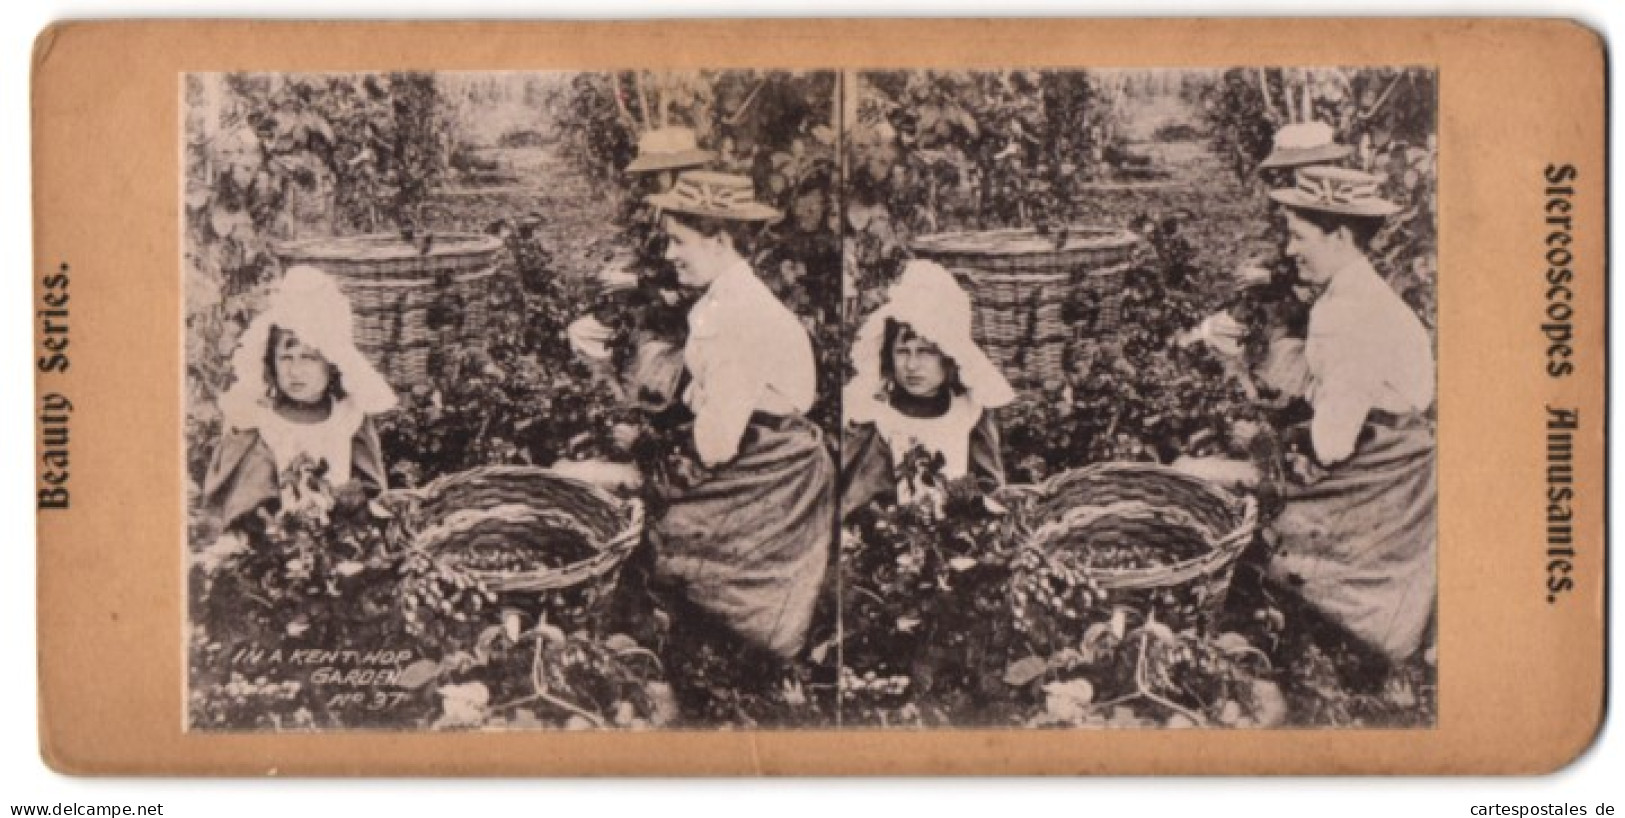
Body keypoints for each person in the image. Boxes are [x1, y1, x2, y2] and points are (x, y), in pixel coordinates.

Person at [1178, 165, 1436, 665]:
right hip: (1398, 462)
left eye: (1300, 237)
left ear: (1339, 235)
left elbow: (1330, 446)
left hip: (1377, 481)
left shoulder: (1347, 315)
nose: (1291, 250)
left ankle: (1295, 624)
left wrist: (1256, 444)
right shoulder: (1355, 292)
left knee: (1190, 475)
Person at [639, 170, 836, 663]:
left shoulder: (739, 319)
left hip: (772, 465)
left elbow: (716, 443)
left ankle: (739, 659)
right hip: (762, 445)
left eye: (679, 241)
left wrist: (651, 470)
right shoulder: (725, 300)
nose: (670, 255)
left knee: (668, 538)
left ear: (721, 240)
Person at [202, 265, 397, 531]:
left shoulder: (349, 419)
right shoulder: (260, 423)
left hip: (339, 539)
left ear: (331, 364)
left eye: (309, 358)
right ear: (271, 363)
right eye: (286, 358)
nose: (295, 371)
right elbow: (245, 504)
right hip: (276, 541)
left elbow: (373, 494)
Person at [840, 260, 1016, 519]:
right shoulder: (877, 417)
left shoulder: (968, 413)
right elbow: (859, 504)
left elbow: (990, 489)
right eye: (902, 352)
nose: (911, 366)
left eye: (925, 352)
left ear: (948, 356)